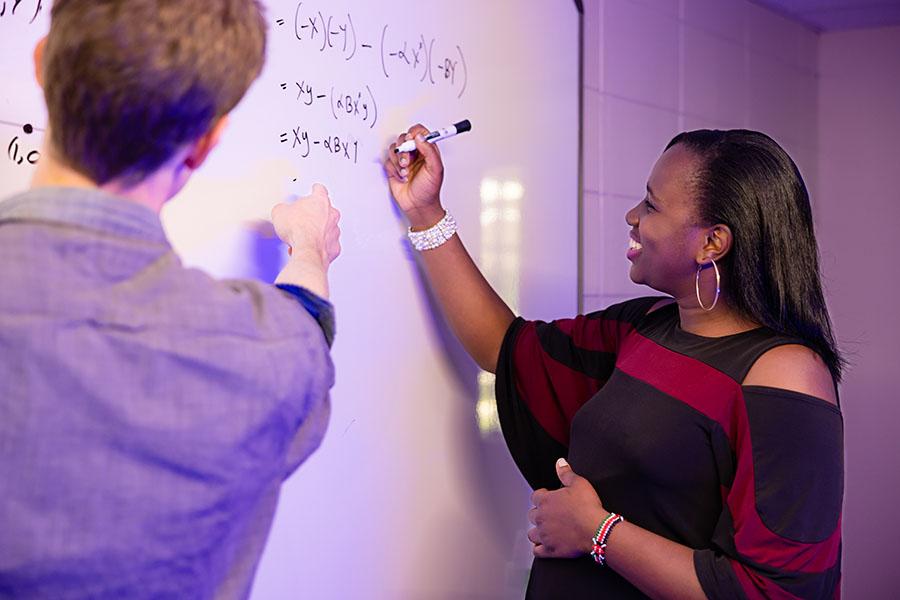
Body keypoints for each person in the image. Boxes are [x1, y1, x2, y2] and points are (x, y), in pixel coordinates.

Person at [384, 126, 843, 599]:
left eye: (651, 205)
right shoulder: (645, 326)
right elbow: (504, 346)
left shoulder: (785, 376)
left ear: (713, 243)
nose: (632, 216)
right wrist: (425, 212)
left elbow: (775, 592)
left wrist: (598, 533)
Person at [0, 1, 341, 598]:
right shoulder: (269, 354)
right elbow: (305, 324)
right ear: (205, 144)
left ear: (40, 66)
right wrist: (309, 247)